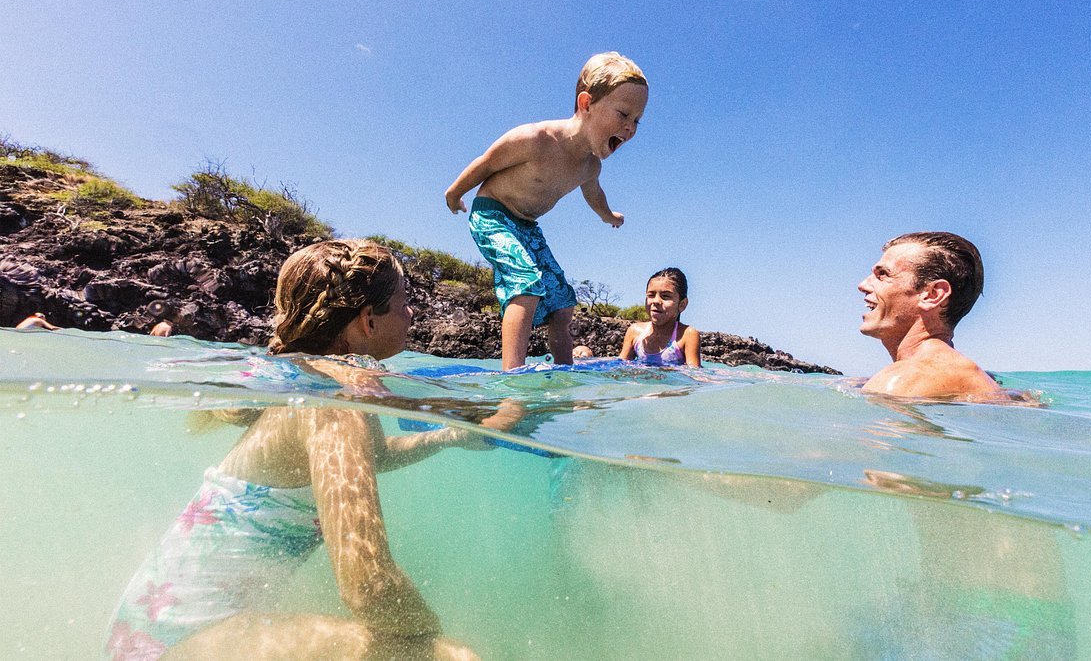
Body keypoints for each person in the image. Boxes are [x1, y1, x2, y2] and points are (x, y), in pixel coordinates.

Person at [106, 239, 494, 660]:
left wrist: (449, 436)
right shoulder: (335, 406)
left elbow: (371, 456)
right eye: (404, 302)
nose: (411, 313)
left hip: (153, 630)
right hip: (179, 641)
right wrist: (427, 640)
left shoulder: (313, 383)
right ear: (368, 320)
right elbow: (369, 585)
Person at [445, 51, 648, 371]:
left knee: (562, 302)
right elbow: (486, 163)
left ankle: (565, 372)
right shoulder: (535, 139)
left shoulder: (590, 166)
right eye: (623, 114)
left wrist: (608, 216)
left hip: (526, 226)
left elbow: (595, 195)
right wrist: (455, 193)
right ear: (586, 103)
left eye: (636, 120)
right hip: (492, 215)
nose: (630, 128)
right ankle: (513, 375)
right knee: (525, 282)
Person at [858, 231, 1002, 400]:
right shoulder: (979, 379)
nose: (863, 285)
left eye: (882, 274)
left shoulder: (901, 381)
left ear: (932, 295)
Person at [618, 267, 701, 367]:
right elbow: (620, 367)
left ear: (682, 304)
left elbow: (695, 375)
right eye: (651, 295)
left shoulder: (687, 335)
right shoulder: (634, 332)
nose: (656, 301)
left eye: (665, 296)